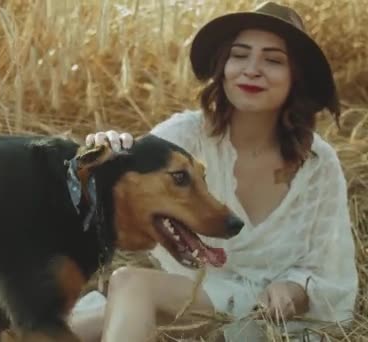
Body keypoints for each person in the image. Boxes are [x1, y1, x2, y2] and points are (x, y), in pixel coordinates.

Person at [68, 2, 359, 341]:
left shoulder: (318, 163)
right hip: (193, 295)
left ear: (297, 77)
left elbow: (329, 268)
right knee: (62, 330)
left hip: (274, 320)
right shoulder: (184, 137)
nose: (252, 69)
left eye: (273, 60)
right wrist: (105, 154)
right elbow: (119, 190)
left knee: (130, 285)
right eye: (239, 55)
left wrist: (294, 289)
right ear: (223, 67)